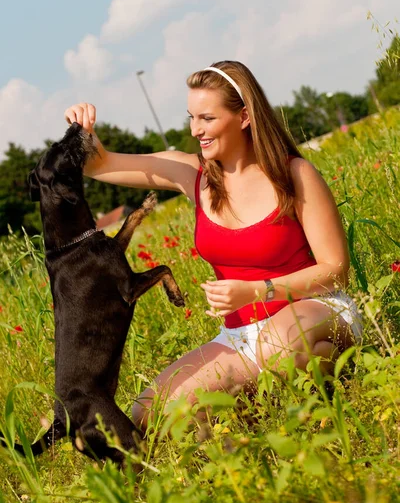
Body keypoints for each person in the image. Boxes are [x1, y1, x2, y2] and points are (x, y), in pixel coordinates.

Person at [64, 60, 362, 430]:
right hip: (241, 336)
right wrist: (83, 130)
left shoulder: (293, 174)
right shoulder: (193, 174)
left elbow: (335, 269)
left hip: (315, 310)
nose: (195, 130)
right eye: (191, 117)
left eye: (207, 118)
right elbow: (100, 165)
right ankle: (259, 409)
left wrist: (258, 291)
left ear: (245, 116)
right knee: (148, 415)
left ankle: (325, 390)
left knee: (282, 345)